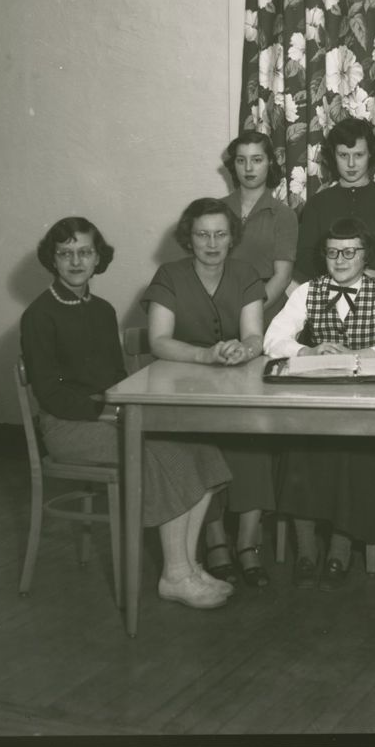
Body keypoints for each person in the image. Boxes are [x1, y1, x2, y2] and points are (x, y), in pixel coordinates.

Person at [20, 217, 234, 609]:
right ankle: (173, 575)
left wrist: (125, 405)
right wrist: (108, 410)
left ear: (98, 257)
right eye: (65, 253)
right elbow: (51, 395)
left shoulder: (101, 310)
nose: (75, 261)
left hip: (109, 414)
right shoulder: (39, 314)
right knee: (160, 453)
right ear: (51, 260)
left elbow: (115, 376)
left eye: (84, 252)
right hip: (69, 427)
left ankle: (187, 565)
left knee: (200, 447)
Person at [264, 217, 375, 591]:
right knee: (300, 448)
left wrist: (361, 354)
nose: (340, 259)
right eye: (333, 253)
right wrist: (308, 349)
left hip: (366, 407)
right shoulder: (305, 292)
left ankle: (340, 549)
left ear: (365, 256)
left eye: (349, 252)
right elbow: (272, 340)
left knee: (357, 452)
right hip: (315, 404)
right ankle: (305, 550)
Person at [142, 198, 273, 587]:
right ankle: (214, 542)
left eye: (220, 234)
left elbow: (254, 335)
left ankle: (248, 543)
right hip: (183, 387)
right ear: (189, 239)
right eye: (202, 234)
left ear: (232, 238)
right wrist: (206, 355)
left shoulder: (246, 274)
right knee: (202, 441)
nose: (212, 243)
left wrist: (242, 350)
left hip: (238, 383)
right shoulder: (169, 275)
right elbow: (159, 341)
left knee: (255, 441)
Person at [293, 117, 375, 285]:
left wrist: (350, 268)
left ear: (370, 153)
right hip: (329, 289)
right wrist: (351, 273)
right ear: (333, 155)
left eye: (359, 155)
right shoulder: (317, 203)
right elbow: (304, 256)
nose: (351, 163)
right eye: (343, 155)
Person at [221, 129, 298, 326]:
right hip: (221, 307)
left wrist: (248, 312)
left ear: (270, 162)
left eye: (256, 160)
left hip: (267, 310)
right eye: (241, 160)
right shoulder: (216, 209)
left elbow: (283, 277)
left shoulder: (283, 215)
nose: (248, 168)